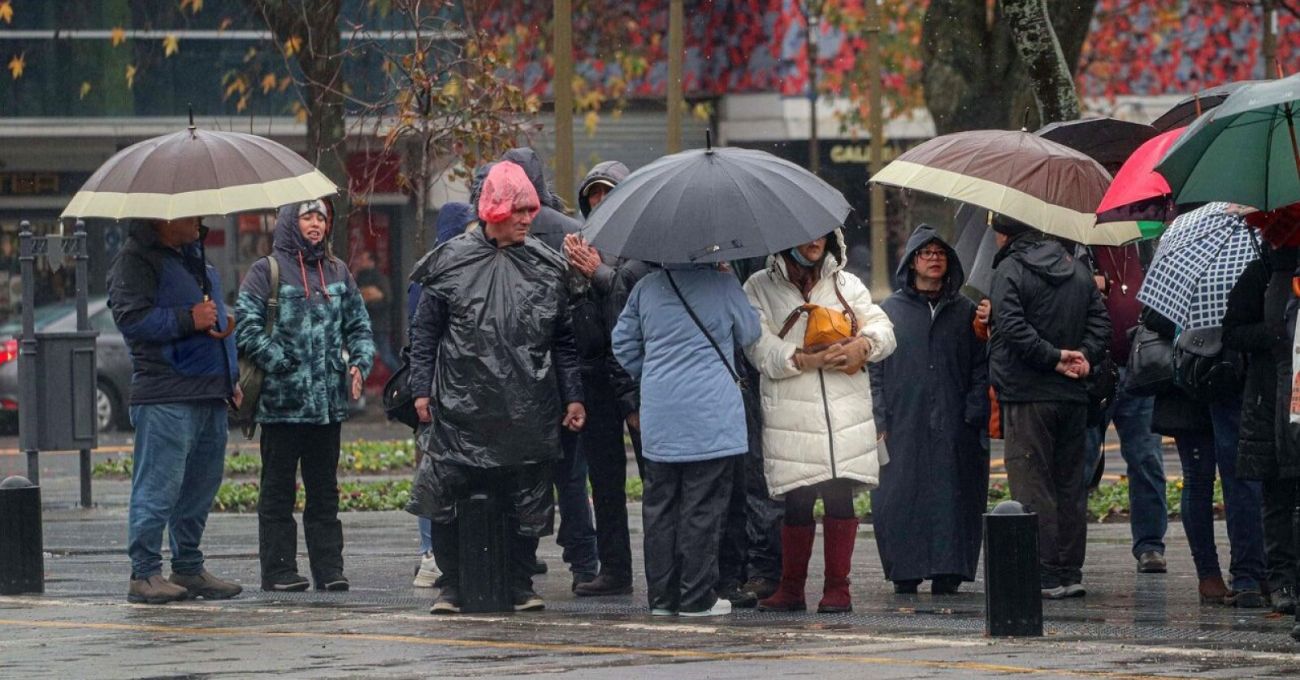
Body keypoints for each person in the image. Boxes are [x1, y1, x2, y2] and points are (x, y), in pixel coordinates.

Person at [407, 161, 585, 614]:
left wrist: (574, 396)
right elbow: (425, 331)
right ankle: (452, 585)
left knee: (525, 496)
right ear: (495, 210)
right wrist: (421, 389)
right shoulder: (451, 262)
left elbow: (563, 340)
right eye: (521, 209)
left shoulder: (547, 266)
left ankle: (520, 582)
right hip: (461, 405)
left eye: (532, 209)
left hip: (528, 404)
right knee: (447, 494)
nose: (530, 218)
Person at [743, 229, 896, 614]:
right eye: (805, 234)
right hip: (791, 411)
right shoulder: (758, 286)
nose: (814, 241)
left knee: (839, 494)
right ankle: (791, 589)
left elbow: (883, 328)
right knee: (796, 498)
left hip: (844, 411)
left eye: (822, 235)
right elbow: (756, 346)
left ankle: (838, 589)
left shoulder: (846, 283)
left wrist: (864, 345)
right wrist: (802, 360)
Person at [235, 200, 375, 592]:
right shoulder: (267, 271)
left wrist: (359, 365)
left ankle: (329, 569)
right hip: (281, 409)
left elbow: (360, 327)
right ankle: (278, 570)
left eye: (321, 217)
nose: (316, 224)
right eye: (307, 216)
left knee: (325, 493)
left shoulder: (338, 271)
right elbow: (244, 325)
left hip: (328, 409)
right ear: (289, 223)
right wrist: (278, 360)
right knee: (277, 492)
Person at [612, 260, 761, 616]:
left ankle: (662, 599)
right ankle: (697, 597)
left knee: (660, 507)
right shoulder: (723, 285)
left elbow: (622, 344)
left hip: (661, 412)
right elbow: (751, 333)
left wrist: (653, 373)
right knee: (703, 507)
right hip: (712, 415)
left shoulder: (646, 288)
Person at [108, 217, 243, 604]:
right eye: (192, 215)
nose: (201, 221)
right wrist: (189, 318)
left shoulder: (193, 258)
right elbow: (131, 320)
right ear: (166, 218)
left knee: (200, 487)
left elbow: (213, 319)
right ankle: (145, 573)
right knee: (159, 486)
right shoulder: (135, 261)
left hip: (208, 392)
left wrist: (229, 376)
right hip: (167, 393)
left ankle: (188, 566)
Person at [987, 215, 1110, 599]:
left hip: (1027, 392)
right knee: (1070, 483)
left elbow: (1010, 325)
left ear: (1002, 234)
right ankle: (1070, 570)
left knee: (1031, 481)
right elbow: (1100, 322)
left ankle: (1044, 571)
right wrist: (1084, 357)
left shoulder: (1010, 268)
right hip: (1073, 394)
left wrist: (1052, 357)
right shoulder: (1075, 269)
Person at [497, 148, 599, 587]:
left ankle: (519, 564)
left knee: (519, 474)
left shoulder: (497, 233)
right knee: (571, 477)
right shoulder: (570, 232)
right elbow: (580, 308)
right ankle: (583, 562)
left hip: (517, 377)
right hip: (566, 373)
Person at [869, 224, 989, 595]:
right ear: (912, 262)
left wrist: (973, 411)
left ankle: (949, 569)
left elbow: (981, 366)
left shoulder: (966, 312)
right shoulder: (888, 312)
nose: (934, 259)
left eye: (940, 253)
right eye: (926, 253)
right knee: (900, 494)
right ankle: (905, 568)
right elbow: (874, 368)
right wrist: (878, 416)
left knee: (955, 494)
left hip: (957, 424)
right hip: (902, 422)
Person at [562, 160, 639, 597]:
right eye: (592, 194)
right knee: (604, 481)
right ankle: (614, 570)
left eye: (607, 192)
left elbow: (637, 300)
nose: (599, 201)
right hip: (594, 376)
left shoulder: (644, 244)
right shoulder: (576, 245)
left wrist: (599, 274)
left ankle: (669, 567)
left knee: (657, 478)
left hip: (636, 375)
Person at [1085, 242, 1168, 573]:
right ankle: (1069, 549)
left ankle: (1150, 545)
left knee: (1146, 457)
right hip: (1093, 369)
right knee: (1083, 459)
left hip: (1141, 367)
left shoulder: (1148, 246)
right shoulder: (1079, 248)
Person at [410, 201, 476, 589]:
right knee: (434, 475)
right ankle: (431, 553)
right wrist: (424, 389)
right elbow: (423, 334)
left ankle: (437, 552)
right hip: (439, 389)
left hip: (449, 388)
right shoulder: (435, 272)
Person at [353, 249, 399, 374]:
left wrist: (369, 302)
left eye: (364, 259)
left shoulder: (380, 278)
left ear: (371, 261)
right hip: (364, 326)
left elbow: (387, 299)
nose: (361, 262)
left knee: (386, 356)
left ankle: (401, 381)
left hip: (379, 325)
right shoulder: (358, 279)